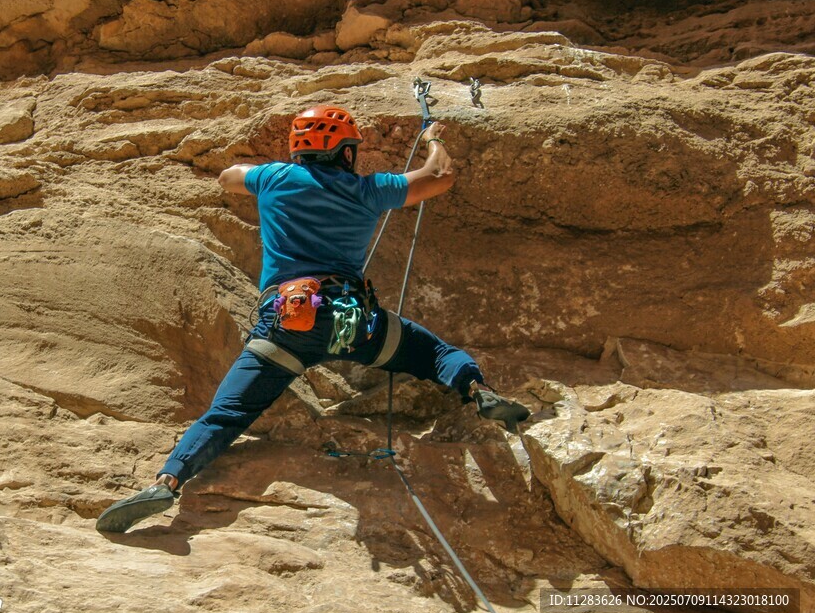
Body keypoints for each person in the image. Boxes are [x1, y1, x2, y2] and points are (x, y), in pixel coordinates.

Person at [96, 105, 529, 533]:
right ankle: (478, 389)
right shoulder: (368, 189)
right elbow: (439, 176)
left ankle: (167, 482)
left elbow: (228, 177)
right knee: (433, 353)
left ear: (299, 151)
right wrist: (434, 137)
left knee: (226, 415)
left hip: (287, 327)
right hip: (356, 325)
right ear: (345, 152)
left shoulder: (274, 178)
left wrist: (268, 174)